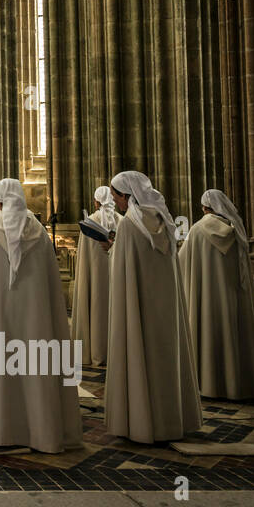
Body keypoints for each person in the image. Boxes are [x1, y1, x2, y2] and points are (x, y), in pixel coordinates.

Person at [0, 179, 82, 452]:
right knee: (37, 367)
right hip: (36, 325)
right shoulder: (41, 236)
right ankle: (41, 430)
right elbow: (51, 290)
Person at [104, 170, 202, 443]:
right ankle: (171, 421)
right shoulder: (163, 219)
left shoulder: (129, 224)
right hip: (165, 311)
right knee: (167, 360)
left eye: (116, 197)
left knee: (140, 356)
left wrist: (109, 248)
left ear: (127, 196)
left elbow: (123, 271)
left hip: (138, 309)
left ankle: (142, 423)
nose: (115, 202)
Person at [179, 188, 254, 399]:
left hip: (205, 299)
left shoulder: (197, 230)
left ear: (205, 207)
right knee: (234, 335)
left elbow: (181, 263)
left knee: (207, 332)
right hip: (233, 297)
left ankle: (209, 384)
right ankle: (238, 385)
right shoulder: (236, 231)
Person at [72, 185, 118, 366]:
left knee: (95, 306)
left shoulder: (90, 222)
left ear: (96, 201)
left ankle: (97, 351)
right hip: (117, 278)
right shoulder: (122, 220)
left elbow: (84, 259)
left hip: (95, 279)